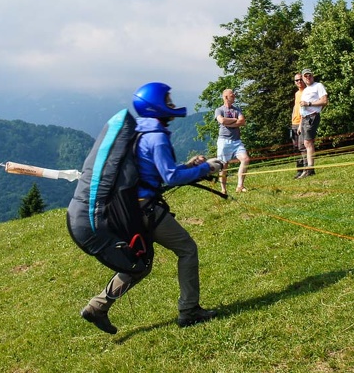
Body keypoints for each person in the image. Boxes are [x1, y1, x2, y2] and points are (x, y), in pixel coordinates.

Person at [80, 82, 224, 334]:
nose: (171, 105)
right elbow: (169, 177)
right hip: (147, 211)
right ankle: (189, 310)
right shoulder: (156, 137)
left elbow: (154, 173)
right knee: (187, 249)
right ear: (155, 105)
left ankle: (96, 307)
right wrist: (206, 168)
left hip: (134, 210)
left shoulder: (141, 133)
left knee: (140, 265)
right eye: (167, 100)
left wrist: (189, 167)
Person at [215, 88, 250, 193]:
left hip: (236, 140)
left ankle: (240, 186)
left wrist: (229, 122)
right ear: (226, 97)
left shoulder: (237, 109)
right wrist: (235, 120)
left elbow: (243, 121)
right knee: (223, 166)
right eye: (232, 96)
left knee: (246, 159)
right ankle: (223, 189)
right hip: (224, 141)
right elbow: (221, 120)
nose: (234, 97)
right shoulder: (219, 110)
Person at [297, 69, 328, 178]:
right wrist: (300, 124)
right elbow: (302, 108)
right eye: (305, 76)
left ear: (312, 76)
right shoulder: (305, 90)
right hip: (305, 118)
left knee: (308, 142)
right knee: (305, 143)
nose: (307, 78)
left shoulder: (318, 86)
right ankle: (308, 168)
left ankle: (310, 168)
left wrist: (309, 103)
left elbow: (324, 101)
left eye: (309, 75)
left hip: (312, 117)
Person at [290, 73, 307, 178]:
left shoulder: (306, 92)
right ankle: (299, 169)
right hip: (294, 123)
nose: (299, 82)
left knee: (302, 147)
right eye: (296, 80)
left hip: (302, 123)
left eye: (300, 79)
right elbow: (295, 107)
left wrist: (301, 124)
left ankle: (307, 169)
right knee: (295, 148)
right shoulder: (297, 93)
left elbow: (305, 110)